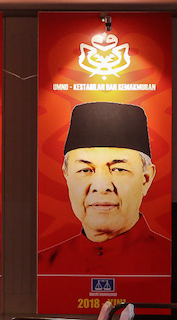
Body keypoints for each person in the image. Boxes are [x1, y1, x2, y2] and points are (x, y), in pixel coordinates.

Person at [38, 101, 170, 274]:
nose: (101, 186)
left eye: (119, 169)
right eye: (85, 170)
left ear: (146, 179)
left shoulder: (169, 262)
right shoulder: (41, 268)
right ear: (67, 176)